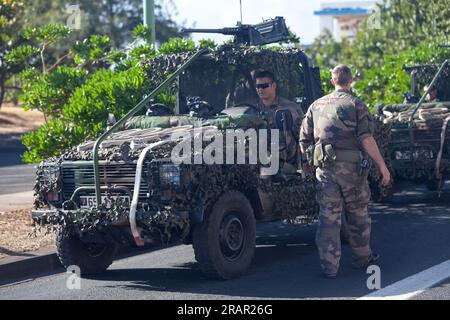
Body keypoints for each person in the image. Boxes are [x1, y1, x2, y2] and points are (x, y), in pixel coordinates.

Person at [299, 64, 391, 279]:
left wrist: (307, 164)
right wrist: (382, 167)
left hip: (325, 170)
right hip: (352, 171)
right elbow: (366, 139)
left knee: (328, 218)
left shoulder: (316, 105)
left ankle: (329, 267)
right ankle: (361, 258)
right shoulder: (356, 104)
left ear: (332, 81)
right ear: (350, 81)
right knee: (358, 214)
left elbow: (304, 138)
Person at [254, 70, 303, 170]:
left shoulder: (291, 108)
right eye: (258, 86)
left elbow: (303, 136)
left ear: (274, 86)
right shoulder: (252, 110)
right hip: (260, 166)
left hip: (286, 166)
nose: (260, 89)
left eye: (264, 86)